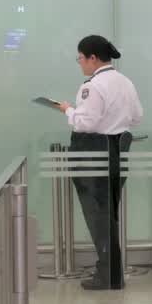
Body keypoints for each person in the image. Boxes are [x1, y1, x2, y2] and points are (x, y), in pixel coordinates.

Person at [53, 35, 143, 290]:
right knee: (108, 215)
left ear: (93, 58)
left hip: (93, 152)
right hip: (118, 152)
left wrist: (67, 110)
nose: (80, 64)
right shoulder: (126, 82)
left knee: (97, 216)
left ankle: (108, 275)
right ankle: (111, 273)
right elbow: (137, 117)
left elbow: (86, 123)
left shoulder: (92, 86)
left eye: (81, 58)